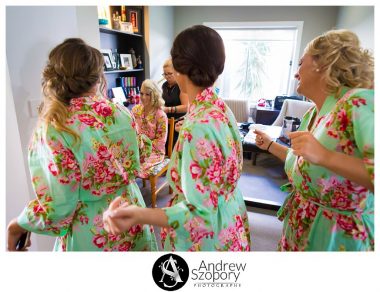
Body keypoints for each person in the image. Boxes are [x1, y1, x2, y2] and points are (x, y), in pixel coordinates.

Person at [103, 25, 252, 251]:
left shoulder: (199, 125)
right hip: (229, 218)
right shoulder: (219, 107)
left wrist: (138, 214)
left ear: (180, 67)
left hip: (207, 239)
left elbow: (199, 216)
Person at [7, 38, 157, 251]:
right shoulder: (121, 112)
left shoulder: (55, 127)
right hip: (130, 213)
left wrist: (19, 224)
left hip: (93, 229)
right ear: (97, 77)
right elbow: (142, 152)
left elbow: (58, 207)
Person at [254, 29, 374, 251]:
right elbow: (303, 161)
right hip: (301, 227)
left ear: (324, 63)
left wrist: (325, 156)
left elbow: (320, 156)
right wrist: (271, 145)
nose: (295, 73)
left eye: (300, 63)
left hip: (338, 238)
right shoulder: (312, 114)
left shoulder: (359, 102)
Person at [132, 79, 168, 178]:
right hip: (137, 148)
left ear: (154, 95)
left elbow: (161, 141)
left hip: (154, 151)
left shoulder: (161, 115)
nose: (143, 97)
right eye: (142, 93)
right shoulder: (135, 110)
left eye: (147, 94)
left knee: (136, 166)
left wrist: (144, 147)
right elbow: (132, 131)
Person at [161, 58, 189, 153]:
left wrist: (168, 109)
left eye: (170, 74)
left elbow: (186, 107)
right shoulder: (164, 86)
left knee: (175, 151)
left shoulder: (181, 86)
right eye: (165, 74)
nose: (167, 77)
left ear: (176, 72)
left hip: (178, 124)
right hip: (166, 123)